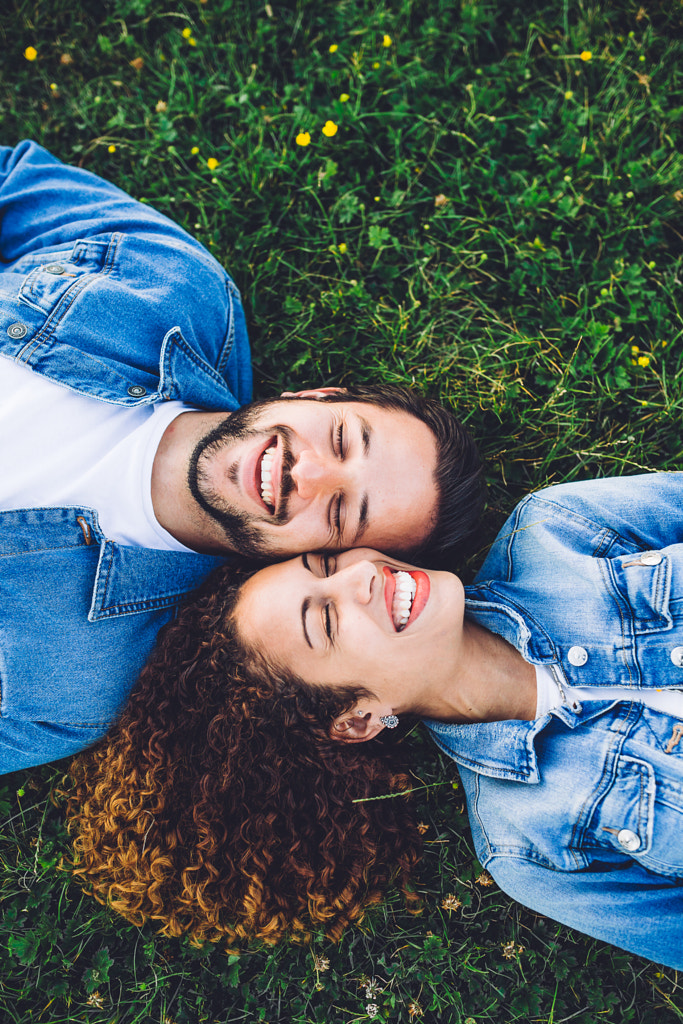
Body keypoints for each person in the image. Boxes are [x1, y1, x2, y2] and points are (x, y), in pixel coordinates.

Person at [66, 472, 683, 968]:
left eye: (327, 566)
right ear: (357, 719)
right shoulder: (530, 849)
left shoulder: (562, 533)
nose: (362, 576)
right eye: (327, 623)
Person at [0, 140, 483, 773]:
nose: (304, 471)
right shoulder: (173, 286)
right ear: (318, 395)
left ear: (318, 562)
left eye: (340, 514)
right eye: (340, 437)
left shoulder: (79, 678)